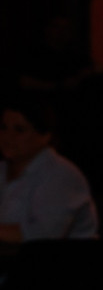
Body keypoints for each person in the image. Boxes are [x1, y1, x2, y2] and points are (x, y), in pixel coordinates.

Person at [0, 97, 97, 246]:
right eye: (3, 127)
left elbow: (44, 234)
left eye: (19, 130)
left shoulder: (61, 175)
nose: (8, 136)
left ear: (45, 136)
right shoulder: (3, 169)